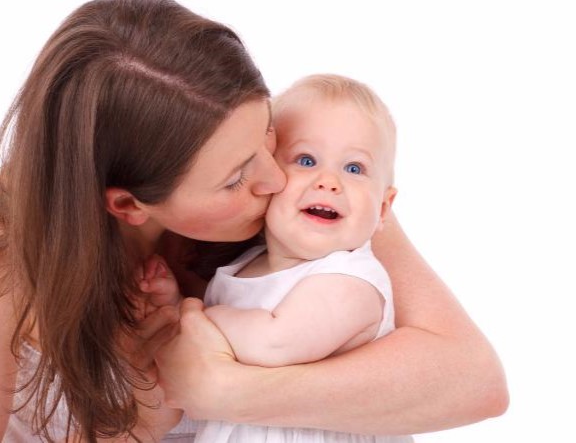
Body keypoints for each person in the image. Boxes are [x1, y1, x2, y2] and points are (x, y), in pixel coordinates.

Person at [0, 0, 508, 443]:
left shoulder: (317, 187)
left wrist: (229, 389)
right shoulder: (12, 251)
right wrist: (139, 424)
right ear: (129, 205)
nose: (276, 178)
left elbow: (474, 382)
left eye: (268, 132)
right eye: (235, 178)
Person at [144, 74, 407, 442]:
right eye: (306, 159)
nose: (329, 181)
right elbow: (225, 329)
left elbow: (272, 342)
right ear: (266, 176)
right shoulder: (247, 264)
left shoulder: (350, 280)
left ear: (382, 208)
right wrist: (174, 303)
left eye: (354, 168)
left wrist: (192, 316)